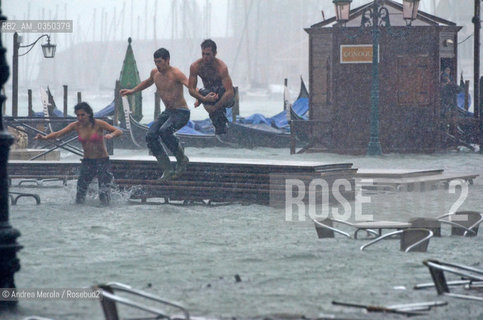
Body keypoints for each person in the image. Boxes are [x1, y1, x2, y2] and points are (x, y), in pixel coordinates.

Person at [120, 48, 190, 182]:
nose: (158, 65)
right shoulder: (155, 73)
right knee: (150, 135)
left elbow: (190, 86)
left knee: (165, 131)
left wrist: (201, 97)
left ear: (167, 60)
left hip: (181, 112)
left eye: (160, 62)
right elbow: (147, 82)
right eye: (156, 62)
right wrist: (132, 91)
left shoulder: (176, 74)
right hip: (168, 112)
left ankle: (181, 159)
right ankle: (167, 169)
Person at [35, 102, 122, 205]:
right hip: (87, 161)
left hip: (102, 160)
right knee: (81, 190)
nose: (80, 118)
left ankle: (104, 211)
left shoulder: (98, 123)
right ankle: (80, 210)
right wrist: (44, 138)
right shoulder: (76, 125)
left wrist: (111, 135)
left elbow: (118, 131)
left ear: (89, 114)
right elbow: (58, 133)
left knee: (104, 191)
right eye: (77, 115)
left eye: (82, 115)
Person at [188, 39, 235, 135]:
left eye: (208, 54)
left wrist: (214, 107)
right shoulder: (195, 66)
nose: (205, 57)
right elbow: (191, 89)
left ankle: (222, 128)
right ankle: (221, 131)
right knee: (202, 92)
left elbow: (229, 92)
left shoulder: (221, 67)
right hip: (208, 95)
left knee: (222, 93)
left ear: (215, 53)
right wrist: (202, 98)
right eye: (203, 54)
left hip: (223, 96)